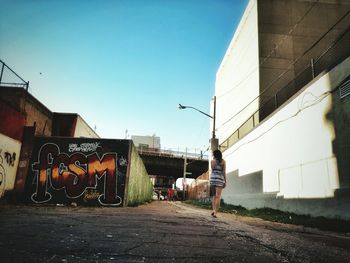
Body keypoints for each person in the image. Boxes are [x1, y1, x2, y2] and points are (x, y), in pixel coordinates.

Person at [210, 149, 227, 218]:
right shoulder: (223, 162)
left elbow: (213, 169)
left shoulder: (212, 161)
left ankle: (213, 210)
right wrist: (225, 181)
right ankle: (215, 213)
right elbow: (223, 172)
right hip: (220, 179)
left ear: (215, 155)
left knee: (214, 196)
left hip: (213, 179)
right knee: (218, 196)